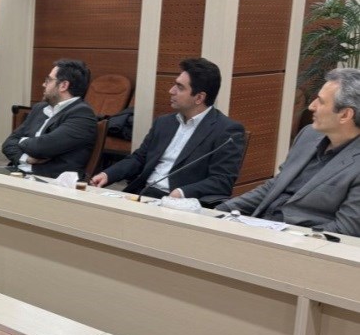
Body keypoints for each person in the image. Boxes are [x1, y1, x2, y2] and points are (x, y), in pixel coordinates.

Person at [218, 68, 360, 236]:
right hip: (260, 228)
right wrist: (219, 211)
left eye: (321, 102)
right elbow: (274, 186)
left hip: (301, 243)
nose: (311, 106)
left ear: (345, 115)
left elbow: (345, 230)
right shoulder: (308, 134)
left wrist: (288, 239)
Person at [91, 58, 245, 205]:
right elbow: (139, 158)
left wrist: (181, 192)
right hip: (143, 194)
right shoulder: (164, 122)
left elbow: (222, 181)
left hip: (181, 203)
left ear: (199, 97)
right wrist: (108, 174)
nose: (171, 91)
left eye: (180, 87)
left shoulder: (227, 131)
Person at [2, 59, 96, 178]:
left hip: (49, 181)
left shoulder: (82, 115)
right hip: (17, 172)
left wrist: (21, 140)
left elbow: (41, 148)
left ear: (63, 85)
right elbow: (8, 143)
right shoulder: (40, 108)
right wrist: (26, 158)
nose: (43, 84)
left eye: (49, 80)